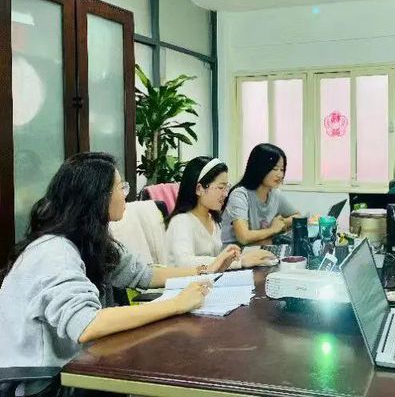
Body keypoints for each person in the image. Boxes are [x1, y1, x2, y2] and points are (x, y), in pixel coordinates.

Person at [0, 152, 240, 396]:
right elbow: (87, 324)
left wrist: (206, 270)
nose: (126, 193)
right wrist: (176, 304)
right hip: (39, 384)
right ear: (98, 196)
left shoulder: (90, 241)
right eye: (120, 186)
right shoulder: (54, 251)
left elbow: (144, 275)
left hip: (72, 364)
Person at [167, 156, 275, 268]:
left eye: (226, 187)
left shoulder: (213, 219)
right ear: (199, 189)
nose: (225, 194)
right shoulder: (181, 221)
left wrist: (234, 255)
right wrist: (238, 261)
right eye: (220, 187)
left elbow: (214, 261)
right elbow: (184, 262)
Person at [221, 143, 299, 245]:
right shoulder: (240, 195)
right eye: (275, 169)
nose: (280, 175)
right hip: (234, 250)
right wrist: (273, 229)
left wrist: (282, 222)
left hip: (258, 246)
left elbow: (297, 216)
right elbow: (243, 237)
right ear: (259, 167)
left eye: (282, 169)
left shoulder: (275, 194)